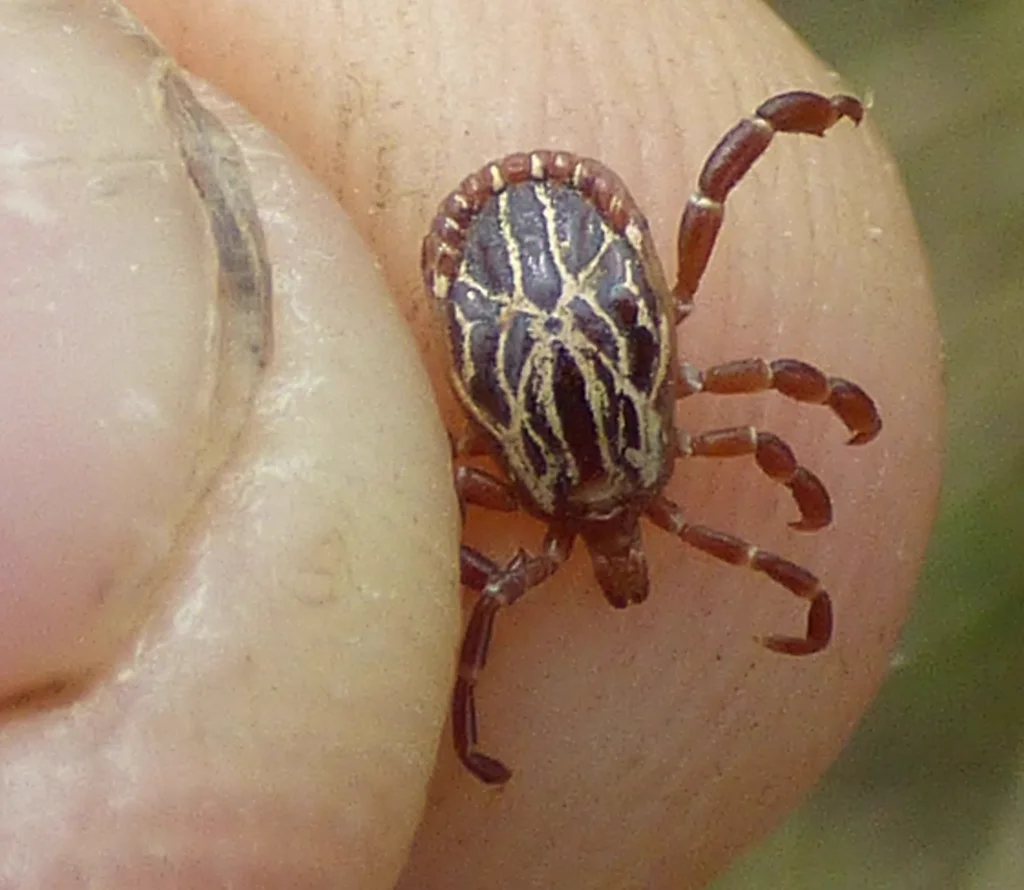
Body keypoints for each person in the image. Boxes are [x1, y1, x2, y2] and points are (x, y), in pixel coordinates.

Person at [0, 0, 942, 887]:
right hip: (562, 239)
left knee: (464, 552)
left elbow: (446, 524)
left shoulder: (506, 487)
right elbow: (782, 409)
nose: (619, 550)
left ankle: (791, 121)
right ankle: (785, 121)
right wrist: (814, 471)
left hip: (495, 264)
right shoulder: (688, 427)